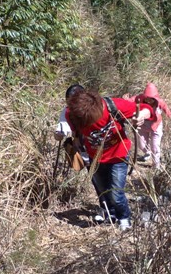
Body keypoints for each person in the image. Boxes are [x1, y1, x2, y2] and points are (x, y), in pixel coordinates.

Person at [66, 89, 156, 231]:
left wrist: (141, 116)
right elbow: (74, 132)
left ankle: (124, 218)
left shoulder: (113, 106)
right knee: (103, 191)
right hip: (94, 158)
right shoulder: (72, 115)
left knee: (116, 193)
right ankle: (110, 215)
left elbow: (148, 109)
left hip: (118, 156)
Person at [133, 83, 171, 170]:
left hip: (156, 125)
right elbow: (131, 100)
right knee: (142, 145)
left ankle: (156, 166)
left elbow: (166, 110)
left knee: (155, 147)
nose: (149, 101)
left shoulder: (160, 102)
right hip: (143, 124)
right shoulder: (139, 98)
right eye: (147, 98)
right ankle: (147, 153)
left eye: (151, 99)